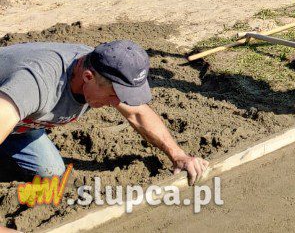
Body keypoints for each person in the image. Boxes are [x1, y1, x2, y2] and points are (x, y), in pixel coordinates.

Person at [0, 40, 209, 182]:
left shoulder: (103, 68)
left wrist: (178, 155)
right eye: (114, 95)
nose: (120, 103)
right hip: (8, 109)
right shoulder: (36, 83)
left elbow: (138, 113)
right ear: (88, 77)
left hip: (21, 123)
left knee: (51, 171)